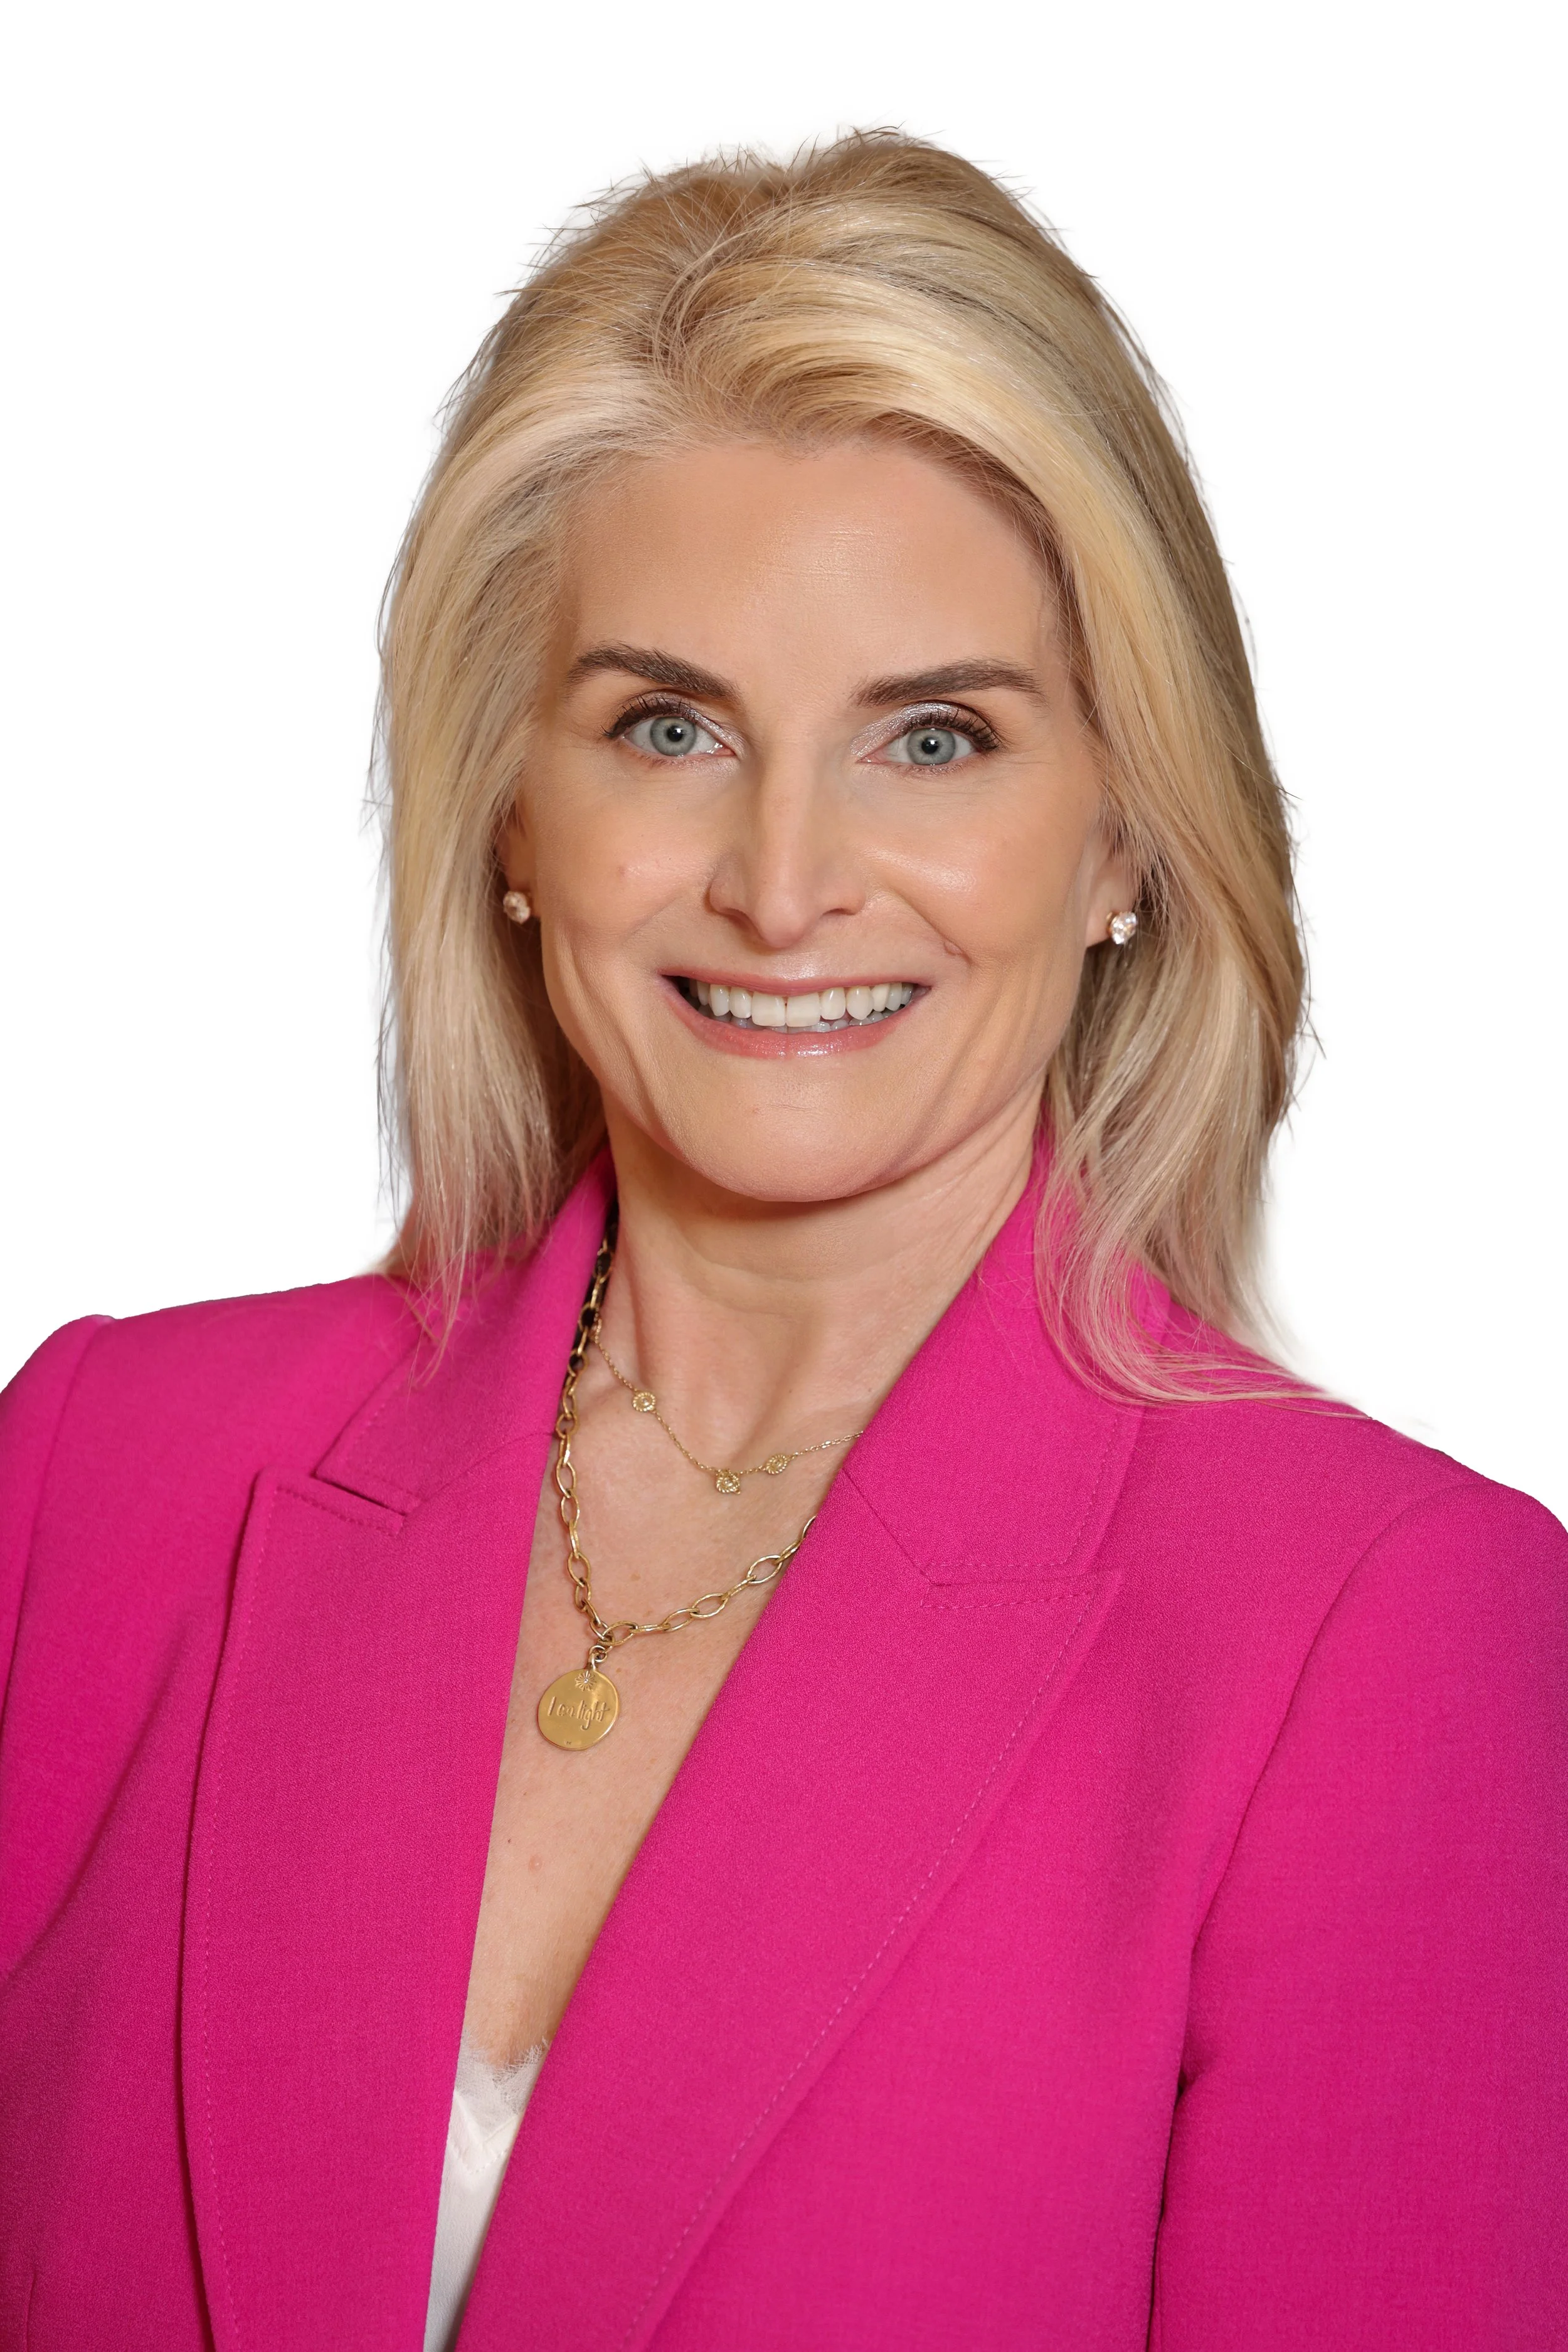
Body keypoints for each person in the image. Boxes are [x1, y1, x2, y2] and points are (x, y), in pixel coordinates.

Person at [1, 132, 1563, 2352]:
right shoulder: (92, 1478)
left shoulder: (1380, 1641)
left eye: (933, 738)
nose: (783, 877)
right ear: (512, 812)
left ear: (1123, 829)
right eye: (667, 726)